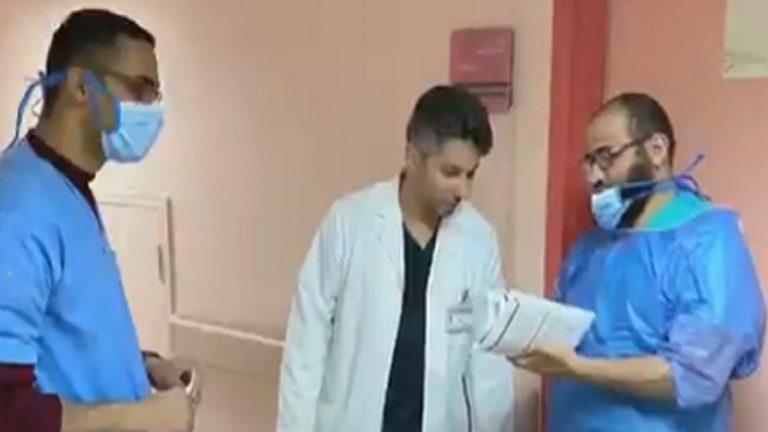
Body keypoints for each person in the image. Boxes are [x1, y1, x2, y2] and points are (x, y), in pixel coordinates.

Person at [513, 93, 766, 431]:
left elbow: (694, 374)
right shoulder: (591, 248)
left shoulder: (709, 241)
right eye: (590, 162)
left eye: (606, 157)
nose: (594, 177)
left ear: (657, 149)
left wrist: (577, 368)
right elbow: (559, 329)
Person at [0, 9, 199, 432]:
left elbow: (68, 337)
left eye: (155, 95)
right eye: (140, 90)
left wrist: (146, 367)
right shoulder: (17, 208)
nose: (152, 111)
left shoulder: (66, 190)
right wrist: (139, 418)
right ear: (80, 86)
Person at [278, 85, 514, 432]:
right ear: (412, 157)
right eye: (450, 173)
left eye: (471, 174)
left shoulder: (479, 241)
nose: (463, 190)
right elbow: (305, 350)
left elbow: (489, 367)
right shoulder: (349, 224)